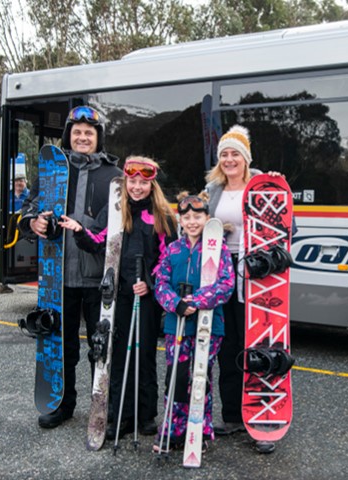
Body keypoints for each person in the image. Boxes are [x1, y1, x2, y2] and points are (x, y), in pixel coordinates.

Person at [18, 105, 122, 429]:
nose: (82, 137)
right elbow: (27, 209)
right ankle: (61, 404)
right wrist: (30, 222)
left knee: (100, 346)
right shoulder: (52, 171)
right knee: (60, 346)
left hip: (96, 278)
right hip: (57, 277)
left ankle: (101, 406)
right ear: (69, 136)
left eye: (88, 133)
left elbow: (114, 227)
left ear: (97, 138)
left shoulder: (112, 176)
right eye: (76, 132)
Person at [59, 156, 178, 438]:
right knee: (120, 354)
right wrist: (80, 232)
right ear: (126, 183)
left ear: (152, 184)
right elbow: (101, 241)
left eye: (143, 182)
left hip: (145, 295)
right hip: (119, 294)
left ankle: (145, 414)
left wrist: (149, 284)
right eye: (132, 182)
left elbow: (167, 257)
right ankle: (119, 414)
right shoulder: (115, 210)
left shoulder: (161, 215)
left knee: (145, 353)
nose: (137, 187)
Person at [205, 124, 285, 454]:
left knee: (257, 344)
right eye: (224, 154)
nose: (229, 159)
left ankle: (262, 419)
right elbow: (198, 226)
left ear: (246, 158)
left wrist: (277, 190)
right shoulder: (212, 189)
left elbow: (286, 226)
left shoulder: (262, 184)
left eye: (235, 153)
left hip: (257, 273)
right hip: (221, 270)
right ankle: (233, 415)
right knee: (227, 345)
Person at [152, 192, 234, 452]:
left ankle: (200, 428)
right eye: (186, 217)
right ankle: (174, 430)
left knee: (200, 377)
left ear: (207, 218)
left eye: (197, 216)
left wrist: (195, 300)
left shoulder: (219, 248)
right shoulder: (173, 249)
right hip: (176, 324)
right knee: (177, 377)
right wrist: (175, 303)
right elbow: (160, 282)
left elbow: (226, 285)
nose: (192, 222)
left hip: (209, 325)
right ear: (180, 220)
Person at [0, 173, 30, 293]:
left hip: (23, 230)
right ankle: (4, 283)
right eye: (17, 181)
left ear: (25, 182)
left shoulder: (29, 195)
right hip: (8, 229)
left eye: (21, 181)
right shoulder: (6, 194)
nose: (19, 183)